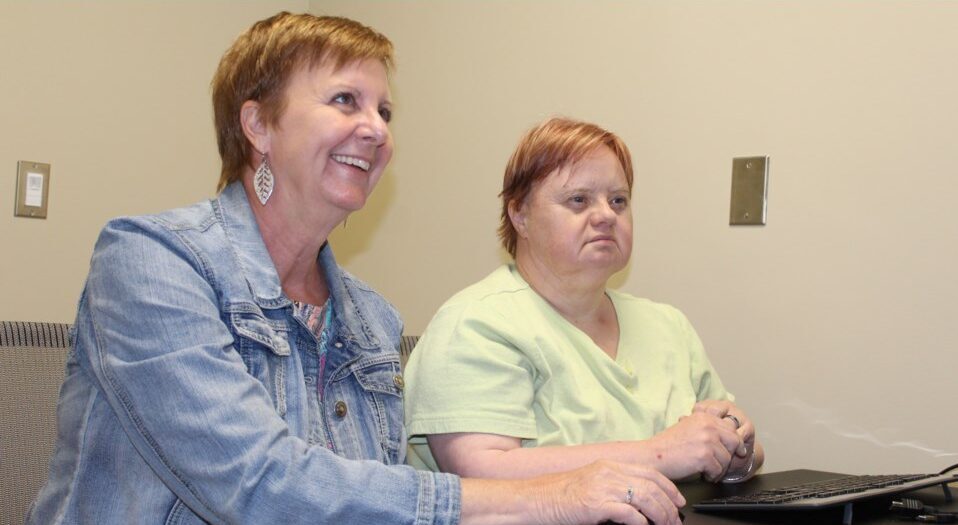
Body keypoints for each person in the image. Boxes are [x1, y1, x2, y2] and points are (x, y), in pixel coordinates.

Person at [27, 13, 684, 525]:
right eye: (346, 100)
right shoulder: (151, 261)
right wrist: (551, 494)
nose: (375, 128)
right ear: (257, 124)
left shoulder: (371, 317)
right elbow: (259, 485)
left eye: (385, 111)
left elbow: (379, 499)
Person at [403, 117, 765, 485]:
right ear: (520, 215)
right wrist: (663, 454)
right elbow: (483, 472)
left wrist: (739, 449)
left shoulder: (668, 326)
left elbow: (726, 447)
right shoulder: (475, 324)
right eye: (579, 200)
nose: (607, 215)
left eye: (618, 201)